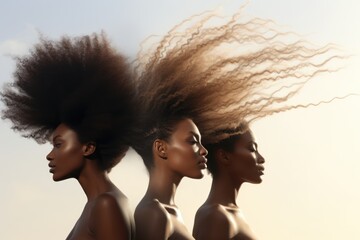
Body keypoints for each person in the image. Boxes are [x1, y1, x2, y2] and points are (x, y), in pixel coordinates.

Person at [1, 33, 135, 239]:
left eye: (58, 145)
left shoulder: (106, 205)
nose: (50, 155)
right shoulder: (95, 204)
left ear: (88, 147)